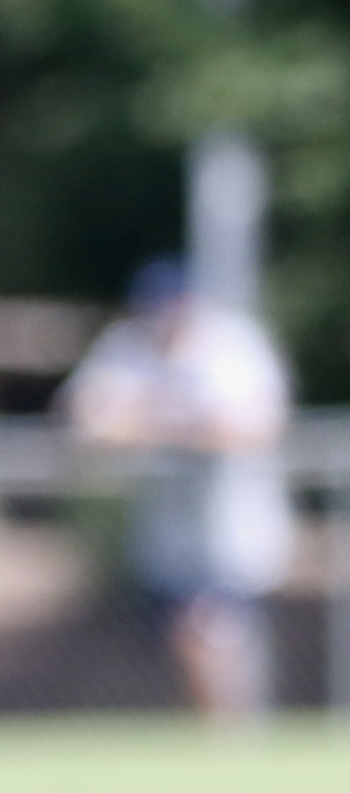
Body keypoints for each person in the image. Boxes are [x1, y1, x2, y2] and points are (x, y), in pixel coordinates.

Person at [58, 257, 297, 722]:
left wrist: (157, 423)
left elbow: (256, 425)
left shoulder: (232, 345)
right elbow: (84, 422)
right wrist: (170, 424)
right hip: (170, 535)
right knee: (191, 639)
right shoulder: (127, 346)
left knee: (208, 632)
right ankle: (226, 735)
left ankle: (234, 736)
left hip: (233, 530)